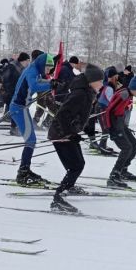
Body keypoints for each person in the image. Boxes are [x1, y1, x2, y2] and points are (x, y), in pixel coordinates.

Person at [48, 64, 105, 212]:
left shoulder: (87, 92)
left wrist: (83, 133)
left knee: (78, 163)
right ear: (91, 80)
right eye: (100, 80)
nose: (102, 84)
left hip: (67, 133)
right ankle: (58, 197)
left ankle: (69, 187)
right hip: (61, 134)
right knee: (76, 165)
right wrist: (70, 133)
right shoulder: (80, 94)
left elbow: (81, 117)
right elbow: (63, 115)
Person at [11, 51, 52, 185]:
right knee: (31, 140)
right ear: (42, 64)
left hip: (21, 108)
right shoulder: (32, 71)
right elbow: (34, 85)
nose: (48, 70)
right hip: (18, 108)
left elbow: (38, 81)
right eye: (47, 67)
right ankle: (23, 173)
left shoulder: (34, 69)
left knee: (31, 140)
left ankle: (25, 170)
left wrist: (51, 82)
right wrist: (51, 84)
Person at [105, 76, 136, 188]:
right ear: (135, 88)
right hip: (114, 125)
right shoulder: (124, 95)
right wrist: (110, 128)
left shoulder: (128, 95)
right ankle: (114, 175)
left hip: (120, 124)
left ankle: (123, 170)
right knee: (127, 148)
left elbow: (119, 112)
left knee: (134, 144)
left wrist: (123, 126)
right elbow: (109, 111)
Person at [0, 52, 30, 135]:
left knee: (18, 108)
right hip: (9, 92)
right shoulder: (12, 66)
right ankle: (14, 128)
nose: (28, 63)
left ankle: (15, 126)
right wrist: (10, 90)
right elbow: (5, 79)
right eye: (27, 60)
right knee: (16, 108)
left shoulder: (22, 69)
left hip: (16, 92)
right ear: (23, 60)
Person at [95, 66, 121, 151]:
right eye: (116, 77)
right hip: (101, 108)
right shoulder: (109, 87)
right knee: (105, 129)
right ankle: (102, 146)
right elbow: (111, 100)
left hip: (103, 108)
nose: (117, 78)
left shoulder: (111, 86)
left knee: (106, 128)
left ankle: (103, 145)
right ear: (112, 77)